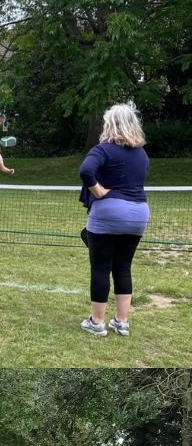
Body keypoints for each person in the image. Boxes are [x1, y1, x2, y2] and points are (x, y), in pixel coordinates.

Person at [77, 102, 150, 338]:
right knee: (123, 267)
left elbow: (86, 170)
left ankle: (97, 323)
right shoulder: (141, 154)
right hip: (138, 213)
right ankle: (121, 322)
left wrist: (97, 190)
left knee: (101, 267)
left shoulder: (103, 149)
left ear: (109, 124)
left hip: (109, 212)